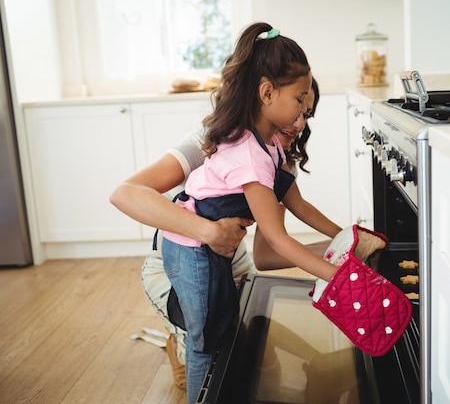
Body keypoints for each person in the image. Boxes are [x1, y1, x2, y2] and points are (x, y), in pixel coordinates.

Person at [159, 22, 341, 403]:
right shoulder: (251, 158)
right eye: (300, 101)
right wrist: (337, 276)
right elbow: (276, 239)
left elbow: (298, 204)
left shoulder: (269, 145)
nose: (302, 117)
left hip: (210, 247)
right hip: (191, 249)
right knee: (205, 338)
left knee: (221, 327)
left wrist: (346, 237)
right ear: (267, 92)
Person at [113, 77, 323, 393]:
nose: (299, 123)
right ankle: (180, 341)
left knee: (260, 363)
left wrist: (344, 248)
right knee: (209, 349)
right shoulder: (213, 140)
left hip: (232, 266)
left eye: (307, 113)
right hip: (174, 270)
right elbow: (124, 194)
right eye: (297, 106)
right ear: (267, 98)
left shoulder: (281, 164)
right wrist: (210, 231)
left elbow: (266, 255)